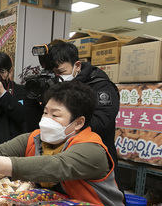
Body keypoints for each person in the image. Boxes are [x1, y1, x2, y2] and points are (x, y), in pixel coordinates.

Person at [44, 41, 121, 181]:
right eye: (54, 73)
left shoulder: (100, 85)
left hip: (94, 156)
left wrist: (68, 122)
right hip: (64, 155)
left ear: (77, 65)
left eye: (61, 72)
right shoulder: (58, 85)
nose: (58, 77)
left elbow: (102, 122)